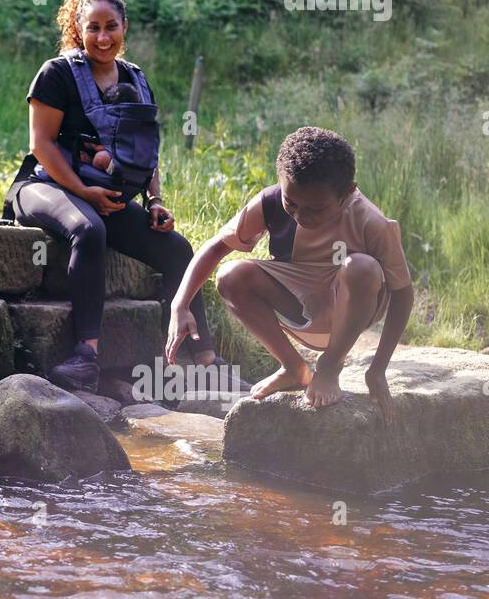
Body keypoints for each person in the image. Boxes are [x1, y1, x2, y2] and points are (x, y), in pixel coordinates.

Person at [14, 0, 221, 393]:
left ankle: (207, 361)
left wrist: (155, 200)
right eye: (93, 28)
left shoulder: (136, 79)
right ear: (78, 29)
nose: (103, 37)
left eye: (111, 26)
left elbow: (145, 152)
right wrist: (83, 191)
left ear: (125, 26)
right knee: (89, 230)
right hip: (44, 186)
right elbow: (42, 145)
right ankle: (85, 357)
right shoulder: (56, 74)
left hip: (104, 196)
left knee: (177, 248)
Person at [166, 126, 413, 421]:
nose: (300, 216)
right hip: (298, 309)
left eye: (315, 209)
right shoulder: (269, 203)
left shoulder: (372, 222)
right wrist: (179, 305)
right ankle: (294, 368)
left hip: (348, 311)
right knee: (231, 276)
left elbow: (402, 293)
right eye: (292, 203)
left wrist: (378, 369)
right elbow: (215, 247)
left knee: (361, 267)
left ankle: (330, 365)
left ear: (347, 193)